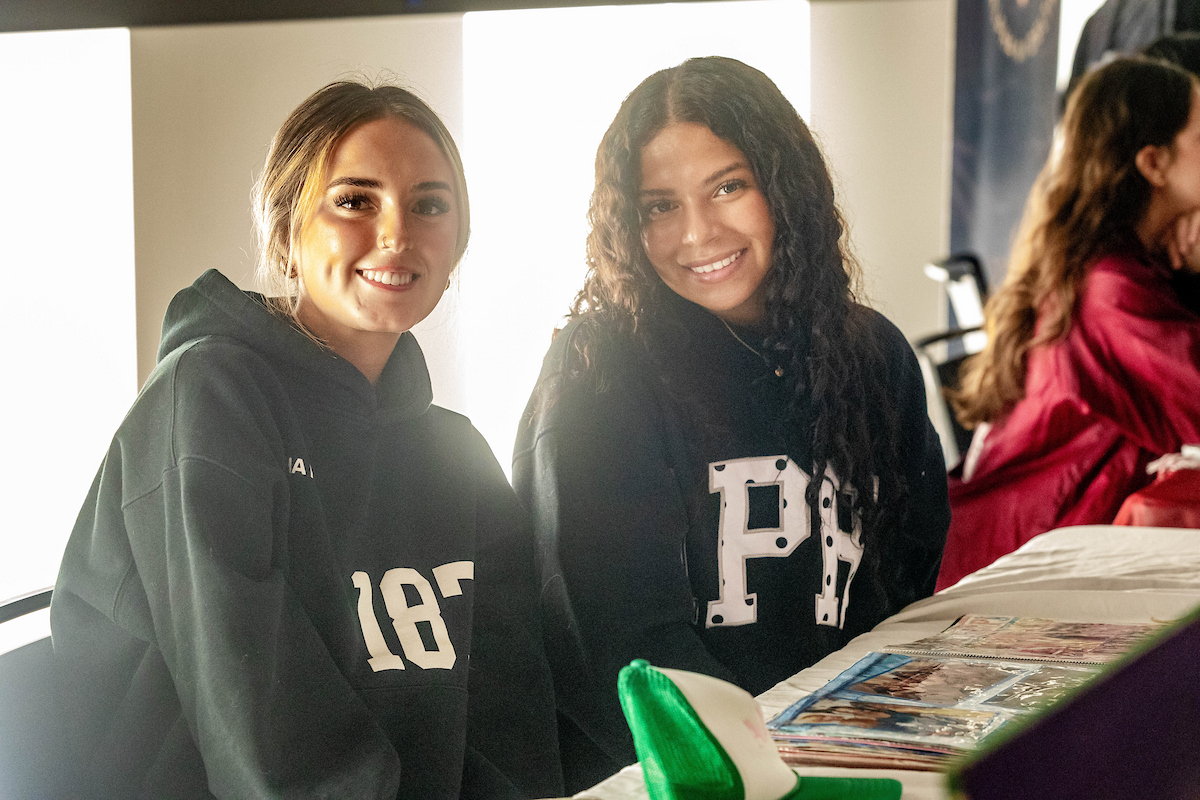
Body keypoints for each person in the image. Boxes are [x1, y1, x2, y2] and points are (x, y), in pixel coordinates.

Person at [49, 80, 562, 799]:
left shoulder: (458, 456)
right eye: (355, 200)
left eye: (430, 204)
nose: (397, 233)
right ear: (287, 233)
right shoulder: (207, 400)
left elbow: (514, 724)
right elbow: (269, 749)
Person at [513, 56, 950, 791]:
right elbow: (607, 636)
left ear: (785, 186)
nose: (699, 233)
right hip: (675, 777)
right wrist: (752, 768)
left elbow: (907, 579)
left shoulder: (873, 354)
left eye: (728, 186)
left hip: (842, 753)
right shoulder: (596, 371)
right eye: (658, 205)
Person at [939, 57, 1200, 590]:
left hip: (1026, 543)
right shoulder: (1112, 288)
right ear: (1154, 163)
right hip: (1015, 570)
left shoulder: (1110, 264)